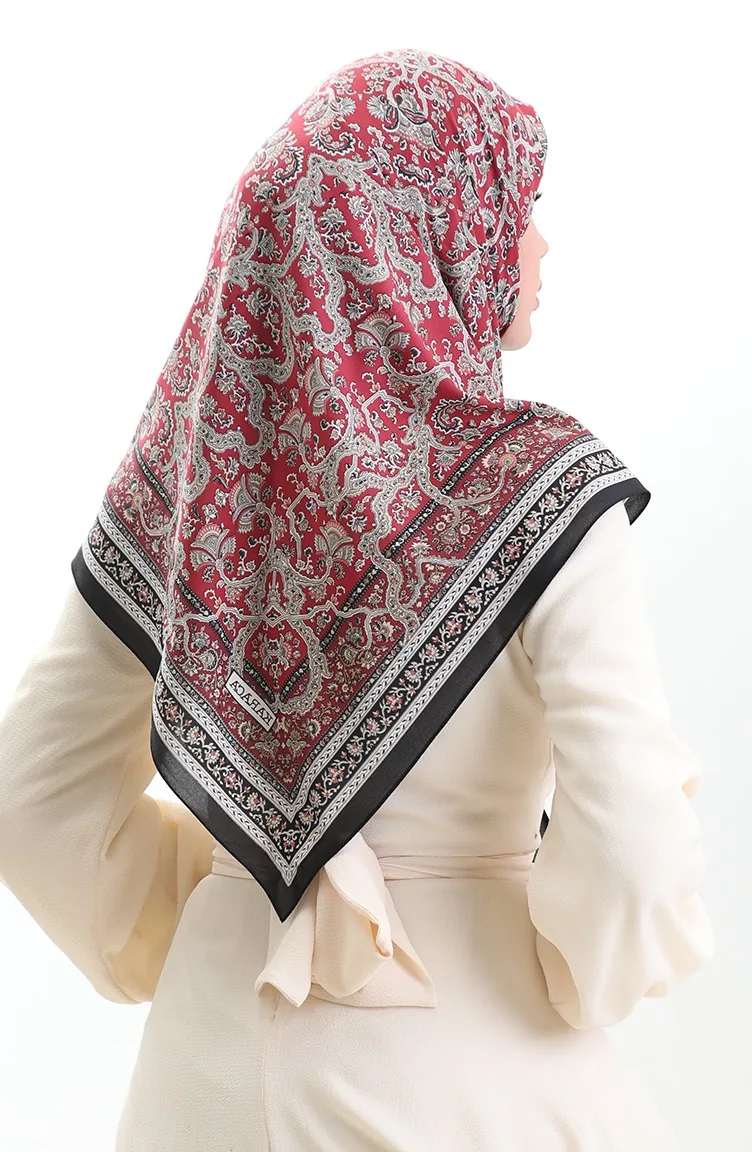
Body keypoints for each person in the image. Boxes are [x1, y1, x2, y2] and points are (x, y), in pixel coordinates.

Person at [0, 47, 714, 1151]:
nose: (537, 243)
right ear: (419, 236)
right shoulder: (544, 491)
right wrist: (575, 974)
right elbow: (631, 849)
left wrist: (226, 901)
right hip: (468, 1076)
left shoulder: (187, 499)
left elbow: (31, 798)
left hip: (198, 1088)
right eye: (511, 207)